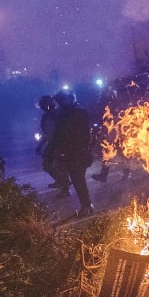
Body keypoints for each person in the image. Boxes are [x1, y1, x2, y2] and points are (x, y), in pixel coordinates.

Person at [49, 89, 94, 217]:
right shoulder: (62, 114)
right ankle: (86, 205)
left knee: (78, 179)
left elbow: (85, 134)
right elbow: (58, 134)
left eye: (62, 100)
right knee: (76, 179)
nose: (60, 103)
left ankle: (87, 205)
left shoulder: (78, 113)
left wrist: (85, 149)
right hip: (68, 151)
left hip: (78, 151)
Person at [35, 95, 69, 191]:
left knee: (54, 165)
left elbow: (56, 132)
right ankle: (62, 183)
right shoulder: (48, 116)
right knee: (55, 166)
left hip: (59, 144)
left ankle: (64, 185)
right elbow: (47, 133)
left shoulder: (57, 115)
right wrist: (41, 145)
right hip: (54, 144)